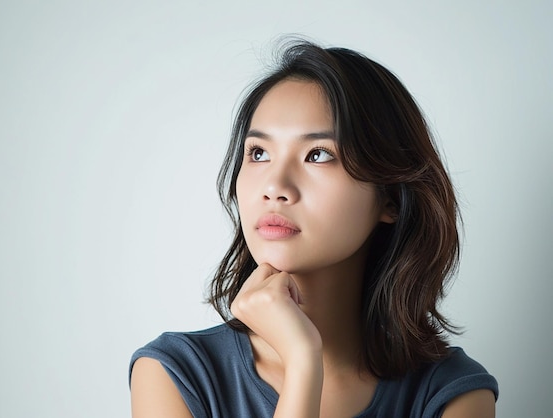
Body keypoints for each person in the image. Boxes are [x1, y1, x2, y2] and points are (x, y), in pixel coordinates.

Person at [129, 40, 499, 417]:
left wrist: (302, 361)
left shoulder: (451, 393)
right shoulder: (175, 374)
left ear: (391, 198)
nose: (274, 187)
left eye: (318, 154)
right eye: (258, 153)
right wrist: (304, 362)